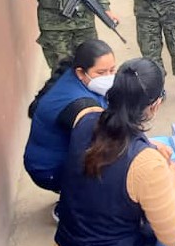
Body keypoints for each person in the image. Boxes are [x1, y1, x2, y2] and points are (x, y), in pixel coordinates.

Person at [54, 58, 175, 246]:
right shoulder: (146, 165)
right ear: (155, 106)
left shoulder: (86, 118)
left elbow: (109, 142)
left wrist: (148, 145)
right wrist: (172, 185)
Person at [24, 39, 116, 196]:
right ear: (80, 72)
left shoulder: (73, 74)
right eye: (101, 73)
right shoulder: (79, 106)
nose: (109, 77)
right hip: (49, 170)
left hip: (46, 157)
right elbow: (104, 142)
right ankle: (72, 203)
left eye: (112, 70)